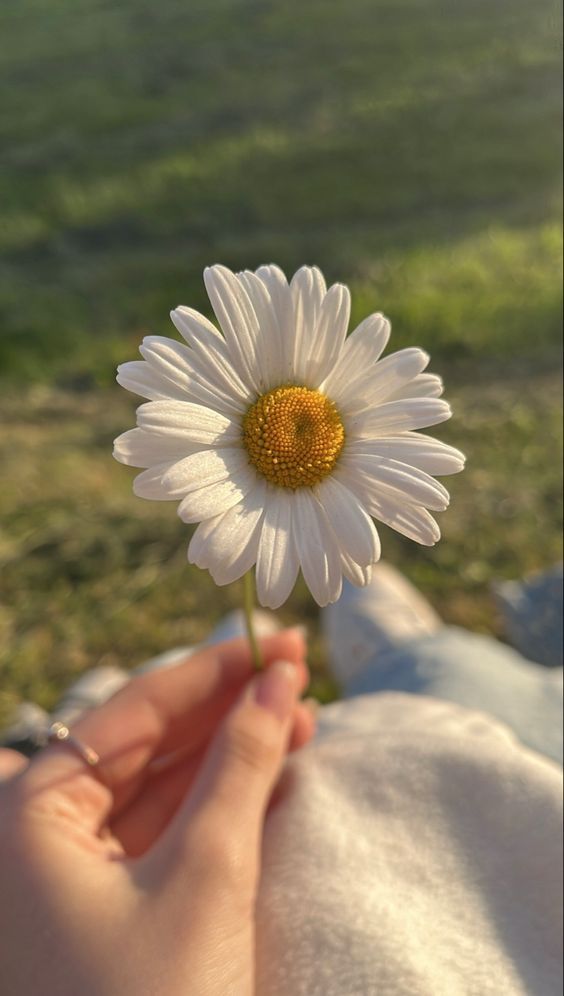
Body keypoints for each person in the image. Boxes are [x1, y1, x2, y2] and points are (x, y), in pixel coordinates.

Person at [0, 566, 562, 995]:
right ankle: (400, 646)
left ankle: (91, 705)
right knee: (450, 669)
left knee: (151, 697)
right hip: (489, 754)